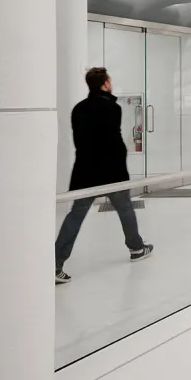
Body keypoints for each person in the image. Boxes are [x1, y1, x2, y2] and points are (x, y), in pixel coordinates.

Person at [55, 67, 153, 283]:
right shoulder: (112, 108)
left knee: (76, 214)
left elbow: (80, 140)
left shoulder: (78, 109)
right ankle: (136, 248)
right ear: (105, 84)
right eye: (109, 80)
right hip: (111, 171)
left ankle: (55, 262)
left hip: (84, 171)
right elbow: (113, 141)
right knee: (125, 208)